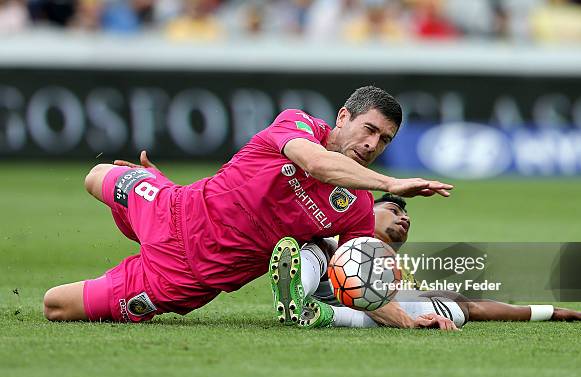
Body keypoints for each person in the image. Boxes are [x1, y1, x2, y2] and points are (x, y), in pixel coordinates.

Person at [43, 86, 454, 323]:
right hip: (173, 205)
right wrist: (393, 183)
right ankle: (147, 191)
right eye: (369, 130)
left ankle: (143, 215)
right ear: (343, 117)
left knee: (56, 306)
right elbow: (315, 163)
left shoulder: (358, 207)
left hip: (184, 275)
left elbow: (360, 283)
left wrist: (410, 320)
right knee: (95, 176)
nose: (371, 145)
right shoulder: (298, 124)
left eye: (384, 140)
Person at [270, 194, 581, 331]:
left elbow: (475, 307)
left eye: (407, 215)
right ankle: (296, 291)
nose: (405, 218)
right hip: (327, 279)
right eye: (395, 211)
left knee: (450, 303)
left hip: (364, 304)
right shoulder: (333, 234)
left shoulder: (403, 276)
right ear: (365, 211)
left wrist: (549, 311)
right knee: (313, 247)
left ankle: (318, 314)